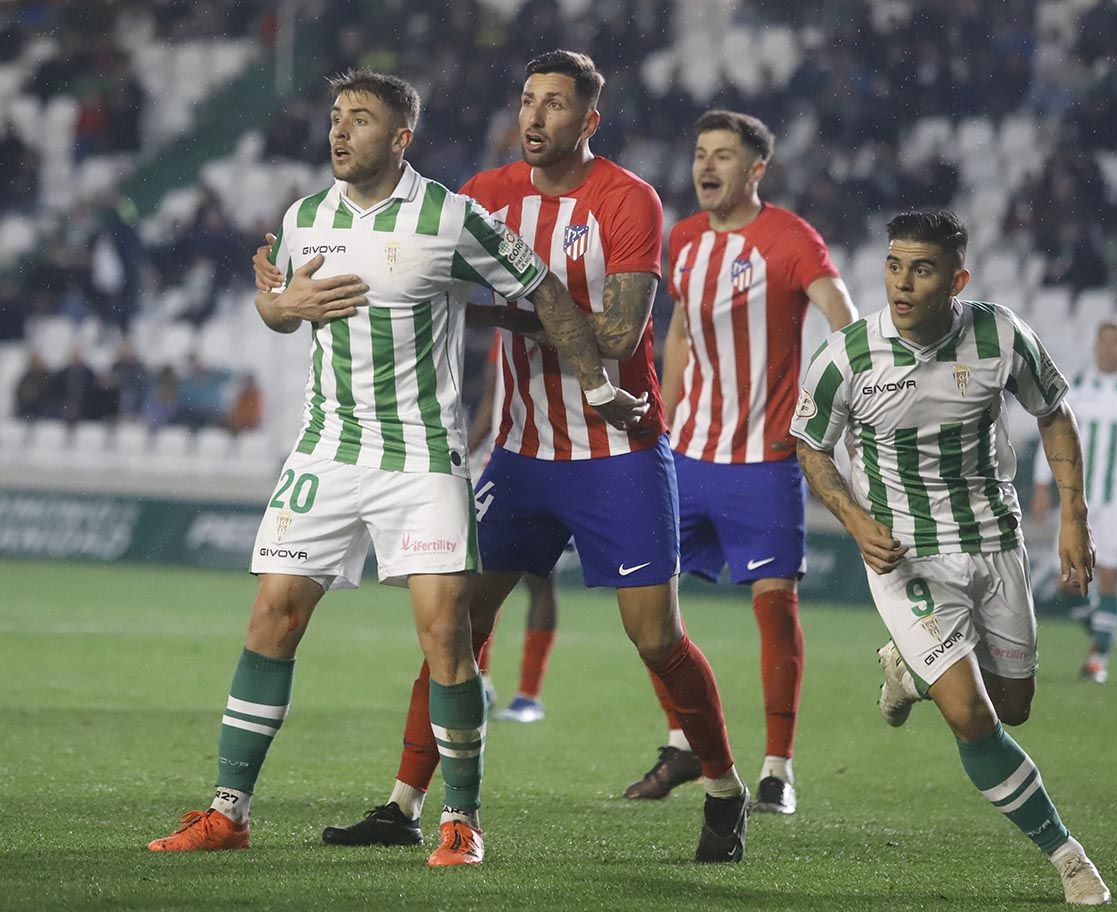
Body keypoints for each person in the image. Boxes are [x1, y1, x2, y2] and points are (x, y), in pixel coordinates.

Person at [256, 50, 750, 863]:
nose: (535, 116)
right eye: (528, 100)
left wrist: (502, 315)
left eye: (556, 105)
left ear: (588, 121)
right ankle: (403, 804)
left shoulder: (628, 200)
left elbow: (622, 338)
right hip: (520, 454)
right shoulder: (482, 197)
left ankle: (724, 790)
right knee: (454, 624)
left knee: (655, 635)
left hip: (617, 449)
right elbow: (419, 282)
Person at [149, 67, 645, 868]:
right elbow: (277, 308)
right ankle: (228, 810)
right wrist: (278, 309)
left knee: (448, 634)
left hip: (419, 456)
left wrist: (595, 383)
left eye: (362, 120)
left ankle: (461, 820)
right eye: (336, 117)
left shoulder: (451, 217)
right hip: (325, 449)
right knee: (272, 621)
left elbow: (546, 289)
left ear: (401, 138)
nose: (341, 132)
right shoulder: (304, 219)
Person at [790, 210, 1111, 905]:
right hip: (905, 557)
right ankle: (1068, 856)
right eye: (895, 266)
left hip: (994, 542)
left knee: (1014, 707)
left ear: (956, 279)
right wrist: (852, 519)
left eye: (923, 269)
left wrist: (1074, 515)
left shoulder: (999, 334)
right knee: (972, 716)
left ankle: (909, 672)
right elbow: (811, 446)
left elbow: (1053, 410)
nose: (903, 284)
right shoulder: (847, 355)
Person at [624, 109, 857, 814]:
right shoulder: (685, 239)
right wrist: (657, 419)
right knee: (646, 613)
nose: (707, 166)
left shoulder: (790, 239)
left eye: (724, 155)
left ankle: (778, 770)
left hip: (764, 460)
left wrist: (830, 413)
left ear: (757, 170)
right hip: (686, 455)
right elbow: (679, 334)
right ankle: (685, 743)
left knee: (774, 614)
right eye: (700, 153)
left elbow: (845, 323)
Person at [1032, 320, 1117, 683]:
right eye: (1105, 342)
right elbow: (1052, 432)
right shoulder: (1075, 386)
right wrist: (1042, 484)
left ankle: (1098, 660)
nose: (1111, 348)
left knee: (1109, 575)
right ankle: (1102, 629)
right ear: (1095, 347)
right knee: (1067, 583)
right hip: (1078, 497)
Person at [466, 331, 560, 724]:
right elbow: (491, 397)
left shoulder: (560, 319)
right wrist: (463, 453)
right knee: (486, 574)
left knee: (537, 580)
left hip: (554, 462)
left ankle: (528, 695)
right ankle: (480, 683)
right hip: (503, 460)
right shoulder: (504, 330)